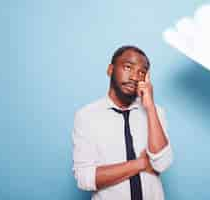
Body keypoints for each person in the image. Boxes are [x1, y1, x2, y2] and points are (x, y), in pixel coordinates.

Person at [72, 45, 173, 200]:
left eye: (142, 72)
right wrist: (140, 163)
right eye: (128, 67)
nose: (134, 76)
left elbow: (162, 164)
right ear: (110, 70)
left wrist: (150, 107)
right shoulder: (87, 116)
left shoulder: (156, 112)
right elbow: (85, 179)